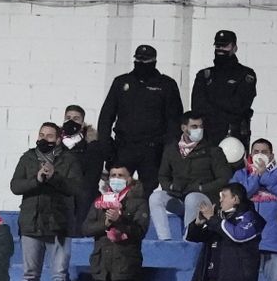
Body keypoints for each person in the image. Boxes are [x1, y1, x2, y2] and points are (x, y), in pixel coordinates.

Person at [10, 121, 82, 281]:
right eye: (41, 134)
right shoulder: (28, 157)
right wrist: (37, 180)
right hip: (31, 225)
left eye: (49, 136)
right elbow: (15, 186)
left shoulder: (69, 159)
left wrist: (54, 177)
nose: (43, 139)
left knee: (59, 274)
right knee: (30, 275)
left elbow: (75, 188)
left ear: (59, 139)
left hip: (59, 225)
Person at [96, 44, 185, 193]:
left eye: (146, 60)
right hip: (123, 147)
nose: (141, 64)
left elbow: (174, 122)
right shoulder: (121, 82)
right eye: (138, 59)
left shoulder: (166, 85)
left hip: (152, 151)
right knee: (116, 192)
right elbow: (106, 117)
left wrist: (167, 153)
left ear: (154, 61)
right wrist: (107, 149)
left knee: (149, 193)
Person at [80, 164, 149, 281]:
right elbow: (86, 228)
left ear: (129, 179)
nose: (116, 178)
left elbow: (139, 231)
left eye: (120, 175)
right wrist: (106, 224)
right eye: (113, 175)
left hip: (126, 264)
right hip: (103, 265)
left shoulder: (138, 203)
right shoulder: (100, 201)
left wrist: (121, 220)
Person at [149, 112, 230, 241]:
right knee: (155, 197)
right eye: (194, 126)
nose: (199, 130)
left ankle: (188, 238)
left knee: (192, 198)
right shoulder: (172, 150)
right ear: (184, 128)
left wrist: (201, 188)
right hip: (179, 196)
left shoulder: (212, 150)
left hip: (204, 198)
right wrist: (171, 186)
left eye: (201, 126)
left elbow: (224, 178)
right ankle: (164, 239)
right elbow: (163, 175)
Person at [234, 139, 277, 281]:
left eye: (264, 151)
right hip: (246, 240)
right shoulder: (241, 175)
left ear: (272, 155)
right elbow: (239, 195)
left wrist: (265, 176)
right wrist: (256, 176)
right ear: (250, 154)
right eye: (256, 151)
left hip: (275, 241)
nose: (260, 155)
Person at [191, 30, 257, 148]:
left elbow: (239, 106)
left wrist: (212, 101)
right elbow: (197, 107)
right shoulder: (204, 75)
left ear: (235, 48)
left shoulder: (245, 74)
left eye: (225, 45)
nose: (220, 49)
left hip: (233, 136)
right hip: (207, 136)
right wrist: (225, 103)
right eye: (218, 45)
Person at [60, 104, 108, 235]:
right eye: (68, 117)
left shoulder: (92, 145)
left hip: (83, 194)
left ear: (82, 123)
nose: (71, 121)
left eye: (76, 118)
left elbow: (92, 178)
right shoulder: (55, 145)